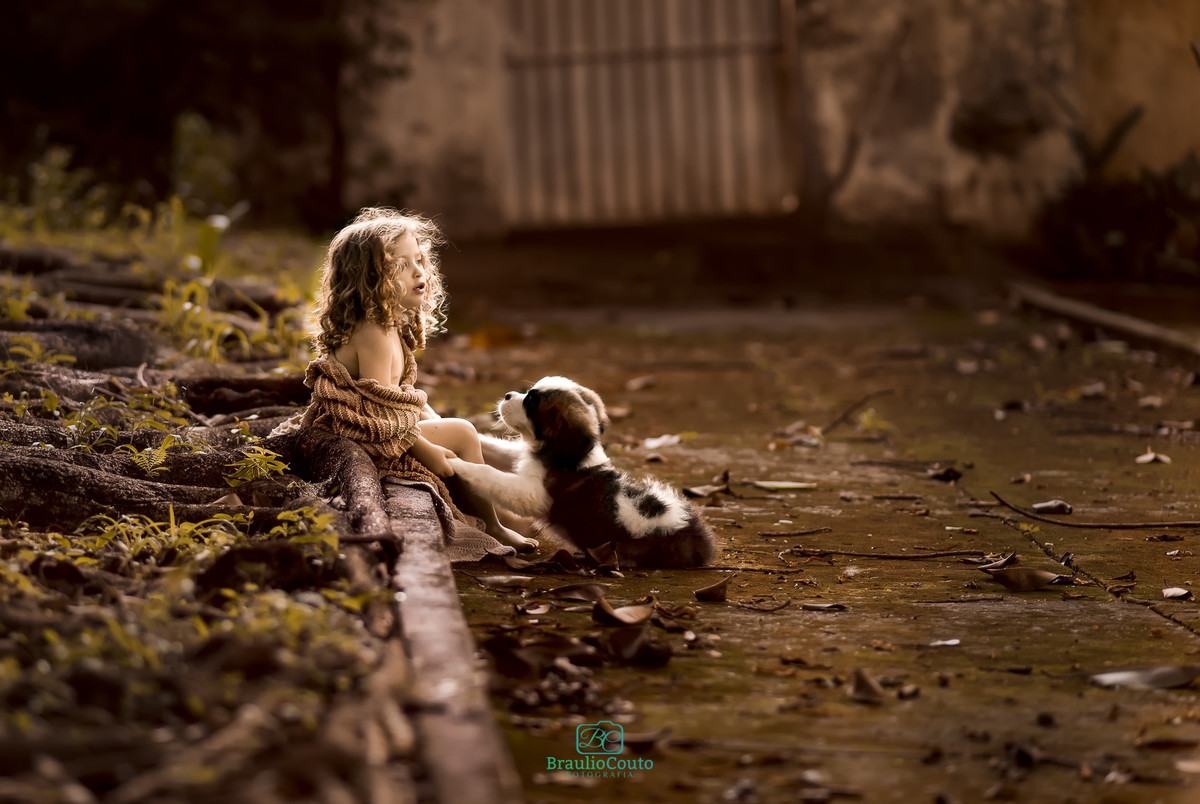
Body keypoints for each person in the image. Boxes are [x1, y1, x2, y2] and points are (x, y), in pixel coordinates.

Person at [302, 207, 537, 552]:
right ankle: (494, 526)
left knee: (447, 425)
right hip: (359, 434)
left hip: (378, 425)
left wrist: (431, 423)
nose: (418, 272)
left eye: (419, 261)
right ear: (368, 278)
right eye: (401, 265)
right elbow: (377, 414)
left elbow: (398, 399)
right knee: (463, 431)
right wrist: (426, 449)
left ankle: (494, 511)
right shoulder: (375, 334)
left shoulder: (389, 326)